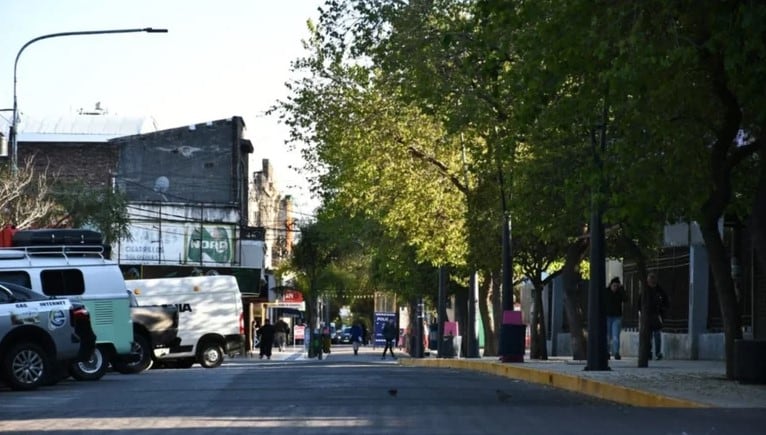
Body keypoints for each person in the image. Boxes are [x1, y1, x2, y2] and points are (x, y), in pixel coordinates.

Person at [640, 272, 669, 360]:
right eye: (650, 282)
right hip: (647, 315)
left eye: (653, 282)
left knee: (656, 335)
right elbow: (639, 302)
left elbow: (666, 301)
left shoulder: (659, 290)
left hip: (656, 315)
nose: (652, 284)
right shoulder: (645, 291)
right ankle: (649, 352)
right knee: (648, 336)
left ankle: (657, 352)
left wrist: (662, 309)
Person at [604, 277, 626, 360]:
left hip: (617, 317)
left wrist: (622, 289)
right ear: (611, 285)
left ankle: (616, 352)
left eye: (617, 286)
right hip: (607, 317)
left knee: (615, 335)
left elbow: (625, 299)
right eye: (614, 286)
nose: (615, 288)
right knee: (607, 336)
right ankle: (607, 352)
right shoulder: (606, 292)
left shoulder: (620, 293)